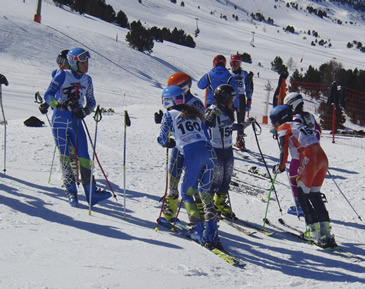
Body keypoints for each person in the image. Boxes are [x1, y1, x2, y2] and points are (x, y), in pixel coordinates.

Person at [44, 47, 111, 207]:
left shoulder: (88, 80)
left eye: (87, 62)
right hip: (60, 119)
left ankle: (91, 192)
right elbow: (48, 94)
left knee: (83, 155)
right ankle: (71, 191)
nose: (86, 65)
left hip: (76, 121)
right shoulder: (62, 75)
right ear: (74, 63)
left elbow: (91, 102)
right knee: (65, 155)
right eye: (82, 62)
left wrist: (85, 111)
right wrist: (57, 104)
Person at [157, 85, 220, 249]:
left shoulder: (169, 114)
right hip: (209, 152)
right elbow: (204, 134)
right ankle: (212, 230)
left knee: (186, 192)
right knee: (205, 193)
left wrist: (168, 141)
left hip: (192, 152)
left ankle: (197, 229)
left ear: (167, 101)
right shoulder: (195, 114)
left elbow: (162, 139)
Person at [270, 105, 336, 248]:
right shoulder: (298, 124)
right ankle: (326, 232)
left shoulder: (284, 127)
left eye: (274, 121)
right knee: (314, 194)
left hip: (311, 158)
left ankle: (313, 231)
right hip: (322, 157)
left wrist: (280, 167)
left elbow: (283, 151)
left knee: (302, 194)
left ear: (280, 120)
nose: (273, 125)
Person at [155, 72, 206, 223]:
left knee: (192, 182)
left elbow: (197, 125)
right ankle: (170, 208)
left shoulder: (195, 103)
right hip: (179, 146)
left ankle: (199, 212)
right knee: (173, 176)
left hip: (193, 146)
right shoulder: (174, 100)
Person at [205, 84, 254, 220]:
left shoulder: (226, 110)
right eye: (231, 98)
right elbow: (204, 126)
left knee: (226, 179)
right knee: (216, 179)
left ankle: (219, 203)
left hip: (228, 150)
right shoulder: (213, 110)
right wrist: (209, 118)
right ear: (224, 98)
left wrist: (244, 124)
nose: (233, 100)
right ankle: (207, 206)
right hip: (216, 150)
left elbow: (229, 126)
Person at [283, 92, 321, 217]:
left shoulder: (296, 118)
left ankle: (300, 205)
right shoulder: (309, 116)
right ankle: (310, 204)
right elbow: (318, 130)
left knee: (294, 179)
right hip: (313, 153)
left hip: (299, 154)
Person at [229, 55, 253, 150]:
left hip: (241, 97)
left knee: (241, 120)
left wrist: (249, 100)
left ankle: (240, 139)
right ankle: (227, 138)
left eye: (237, 63)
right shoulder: (228, 73)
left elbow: (248, 87)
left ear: (240, 64)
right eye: (233, 63)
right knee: (229, 119)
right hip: (230, 98)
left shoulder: (244, 74)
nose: (235, 65)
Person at [39, 49, 70, 115]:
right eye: (59, 61)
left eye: (64, 62)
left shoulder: (76, 77)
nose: (61, 65)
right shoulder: (57, 73)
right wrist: (48, 103)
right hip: (59, 109)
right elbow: (55, 91)